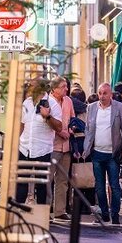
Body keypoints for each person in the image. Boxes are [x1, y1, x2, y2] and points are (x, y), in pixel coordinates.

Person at [83, 83, 122, 224]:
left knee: (114, 185)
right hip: (96, 153)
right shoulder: (91, 108)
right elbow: (88, 129)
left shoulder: (119, 107)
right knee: (99, 186)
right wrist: (86, 148)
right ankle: (104, 212)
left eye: (105, 93)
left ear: (111, 94)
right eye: (100, 93)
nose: (102, 96)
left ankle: (115, 213)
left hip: (113, 153)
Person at [16, 79, 63, 206]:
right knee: (20, 183)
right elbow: (22, 125)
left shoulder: (52, 104)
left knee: (41, 185)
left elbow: (59, 127)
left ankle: (42, 217)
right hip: (24, 148)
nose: (29, 88)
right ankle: (17, 213)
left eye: (31, 86)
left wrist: (47, 116)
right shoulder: (27, 102)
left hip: (42, 150)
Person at [48, 77, 74, 220]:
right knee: (48, 179)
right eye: (63, 86)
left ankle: (60, 210)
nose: (66, 89)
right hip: (52, 146)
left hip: (66, 146)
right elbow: (47, 122)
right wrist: (60, 132)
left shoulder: (68, 101)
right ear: (55, 88)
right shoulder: (48, 102)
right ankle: (46, 209)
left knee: (63, 180)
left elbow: (72, 118)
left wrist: (71, 129)